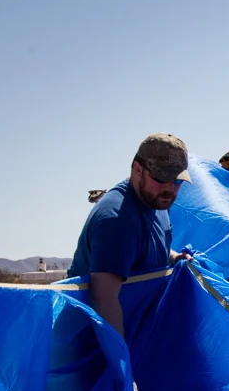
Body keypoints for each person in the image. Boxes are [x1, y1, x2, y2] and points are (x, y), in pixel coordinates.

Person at [68, 133, 192, 339]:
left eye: (177, 180)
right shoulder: (117, 221)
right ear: (137, 169)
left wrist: (174, 257)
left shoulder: (157, 201)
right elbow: (104, 302)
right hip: (95, 346)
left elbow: (145, 245)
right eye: (162, 177)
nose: (170, 188)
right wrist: (122, 365)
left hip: (139, 331)